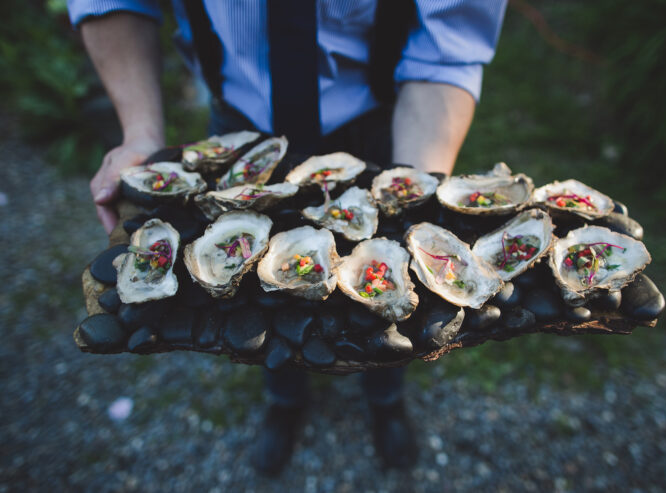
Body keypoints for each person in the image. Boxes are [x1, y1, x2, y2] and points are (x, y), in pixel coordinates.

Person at [68, 0, 507, 475]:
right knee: (259, 298)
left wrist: (413, 194)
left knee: (393, 295)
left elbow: (449, 39)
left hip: (382, 130)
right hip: (240, 141)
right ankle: (284, 398)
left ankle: (386, 396)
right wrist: (140, 133)